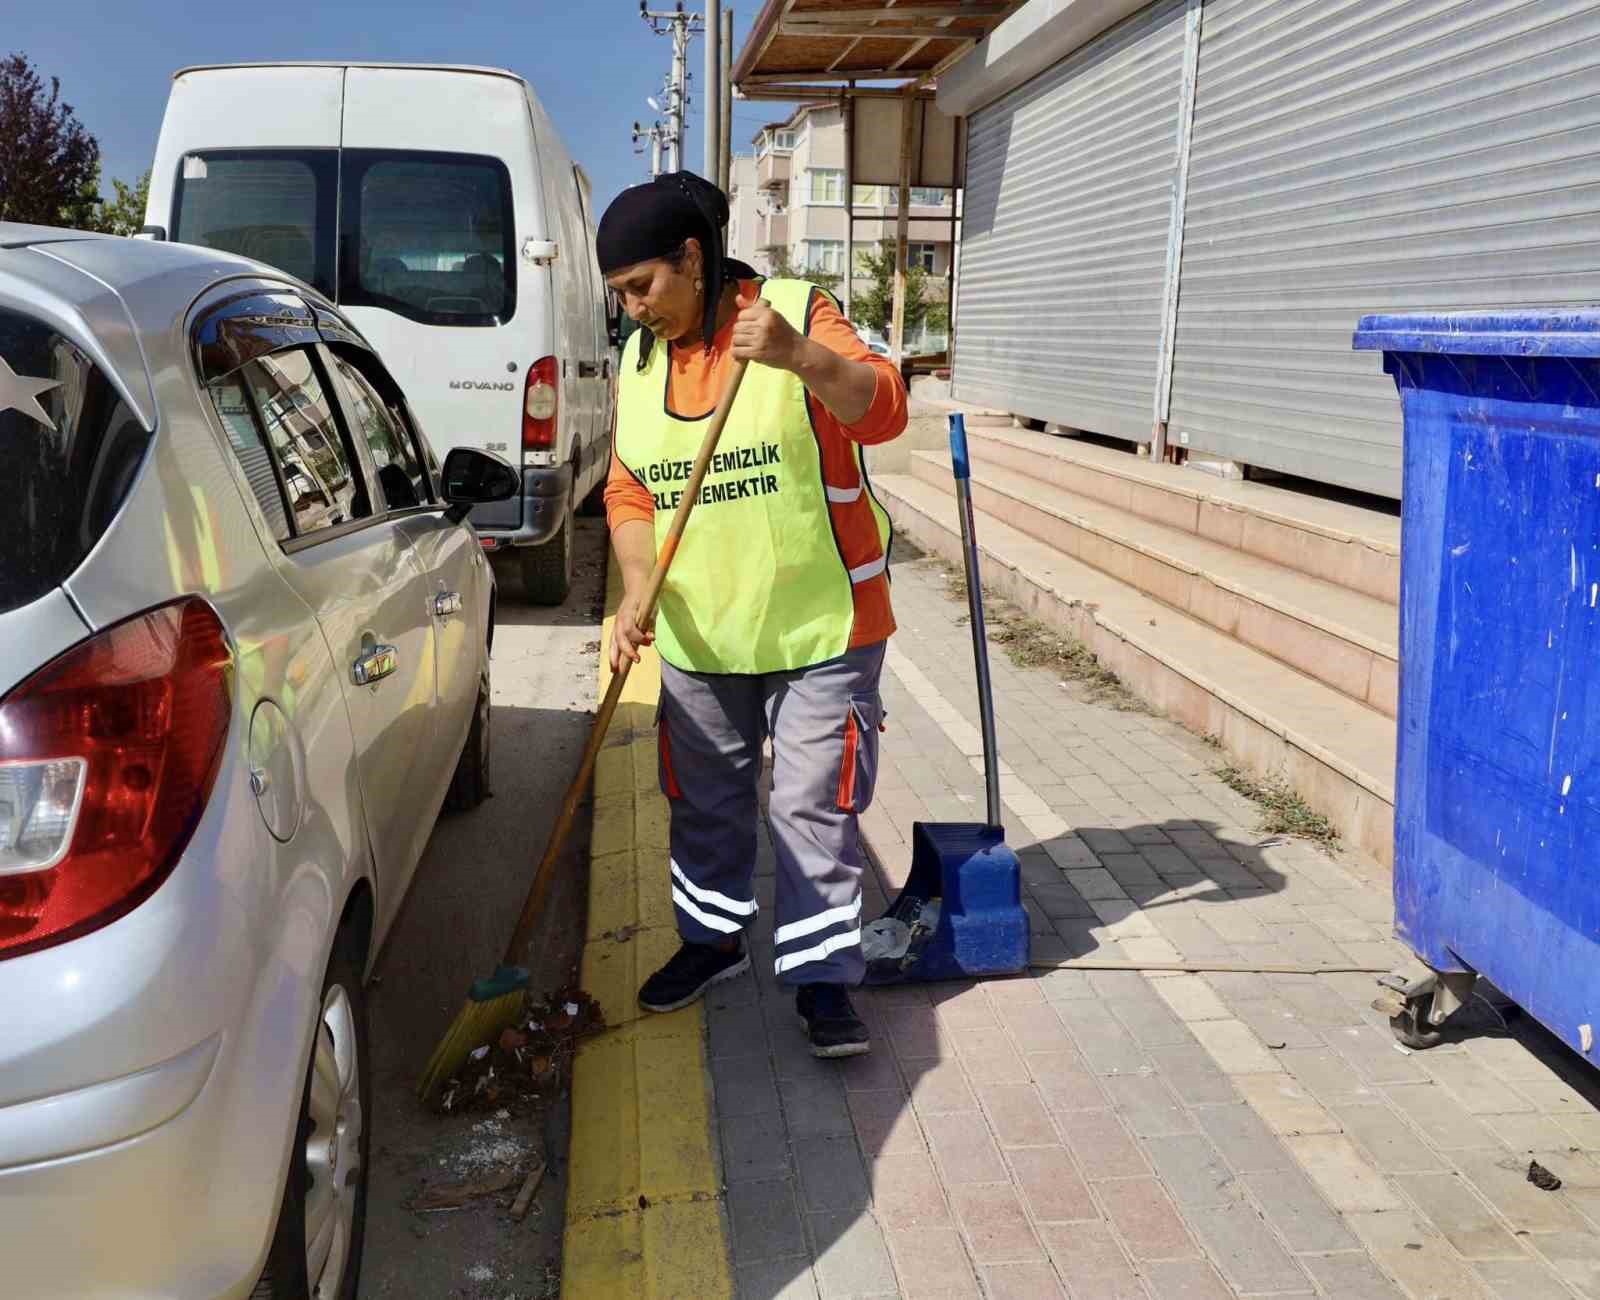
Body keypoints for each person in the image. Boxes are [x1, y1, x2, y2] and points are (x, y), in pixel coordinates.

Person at [598, 172, 908, 1058]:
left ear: (692, 259)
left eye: (643, 287)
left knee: (810, 806)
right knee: (703, 803)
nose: (633, 312)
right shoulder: (639, 359)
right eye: (619, 296)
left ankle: (820, 985)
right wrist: (635, 583)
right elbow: (628, 488)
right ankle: (711, 945)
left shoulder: (791, 311)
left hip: (822, 625)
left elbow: (885, 409)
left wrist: (799, 357)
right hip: (704, 636)